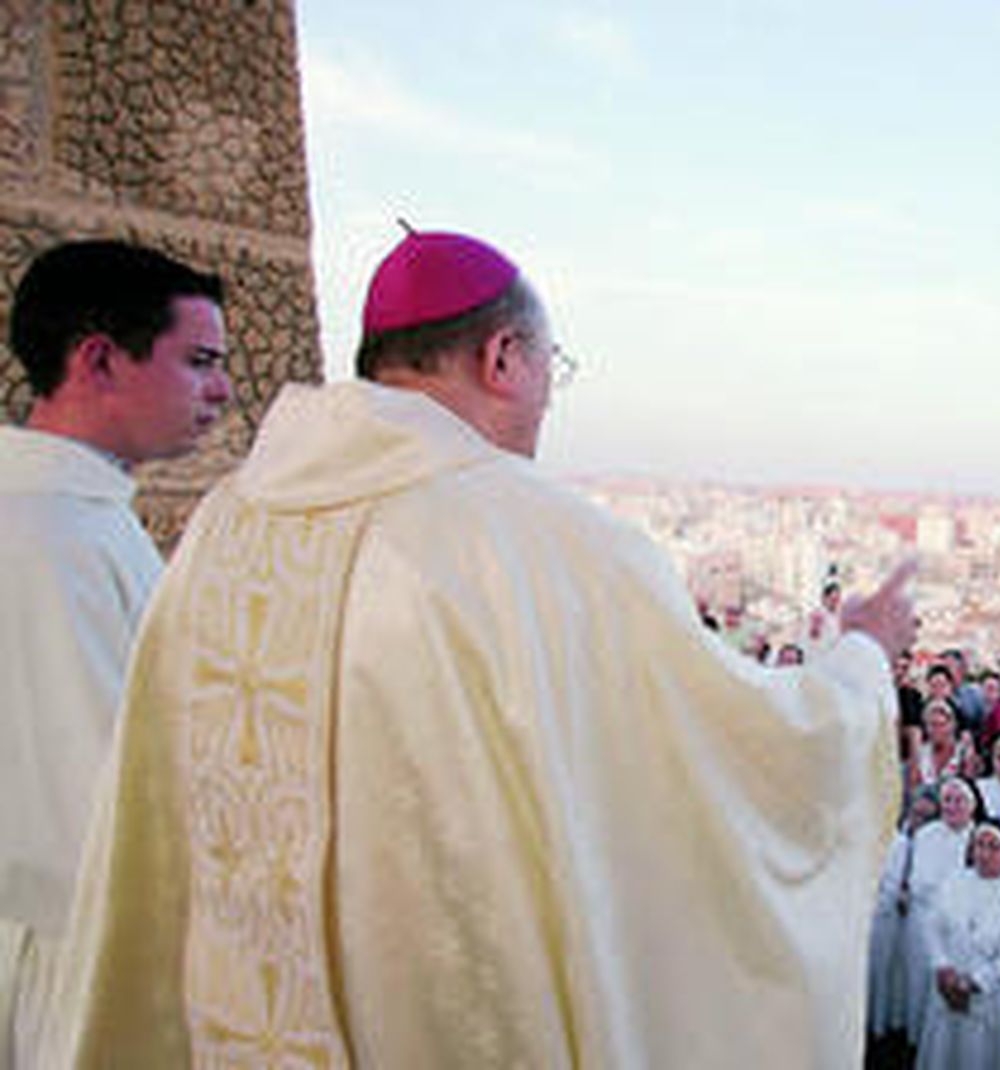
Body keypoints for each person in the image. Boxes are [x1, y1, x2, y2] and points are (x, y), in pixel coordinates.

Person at [40, 230, 917, 1068]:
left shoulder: (227, 524)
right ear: (502, 358)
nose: (545, 400)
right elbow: (751, 759)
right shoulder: (550, 543)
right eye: (549, 370)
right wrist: (861, 664)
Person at [1, 240, 231, 1067]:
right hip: (81, 973)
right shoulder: (49, 539)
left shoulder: (73, 515)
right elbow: (96, 813)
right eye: (199, 360)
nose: (222, 390)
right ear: (98, 359)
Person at [915, 820, 1000, 1070]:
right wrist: (942, 967)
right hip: (945, 987)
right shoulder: (953, 881)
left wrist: (970, 984)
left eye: (994, 847)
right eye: (980, 844)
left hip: (988, 999)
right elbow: (932, 927)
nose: (985, 853)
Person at [904, 778, 983, 1048]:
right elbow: (918, 882)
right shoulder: (926, 834)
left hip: (959, 928)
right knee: (918, 985)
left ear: (972, 806)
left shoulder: (979, 837)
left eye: (959, 800)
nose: (952, 806)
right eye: (947, 799)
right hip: (922, 922)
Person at [869, 785, 942, 1055]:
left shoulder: (934, 843)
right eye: (915, 814)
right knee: (882, 972)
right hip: (886, 916)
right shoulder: (893, 840)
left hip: (916, 920)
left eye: (926, 817)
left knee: (908, 979)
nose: (918, 821)